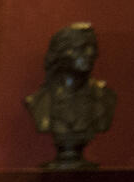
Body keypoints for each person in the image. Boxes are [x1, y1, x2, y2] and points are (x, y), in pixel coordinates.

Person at [25, 23, 115, 169]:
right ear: (60, 53)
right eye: (80, 48)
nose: (90, 53)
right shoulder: (38, 100)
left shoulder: (104, 97)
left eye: (93, 48)